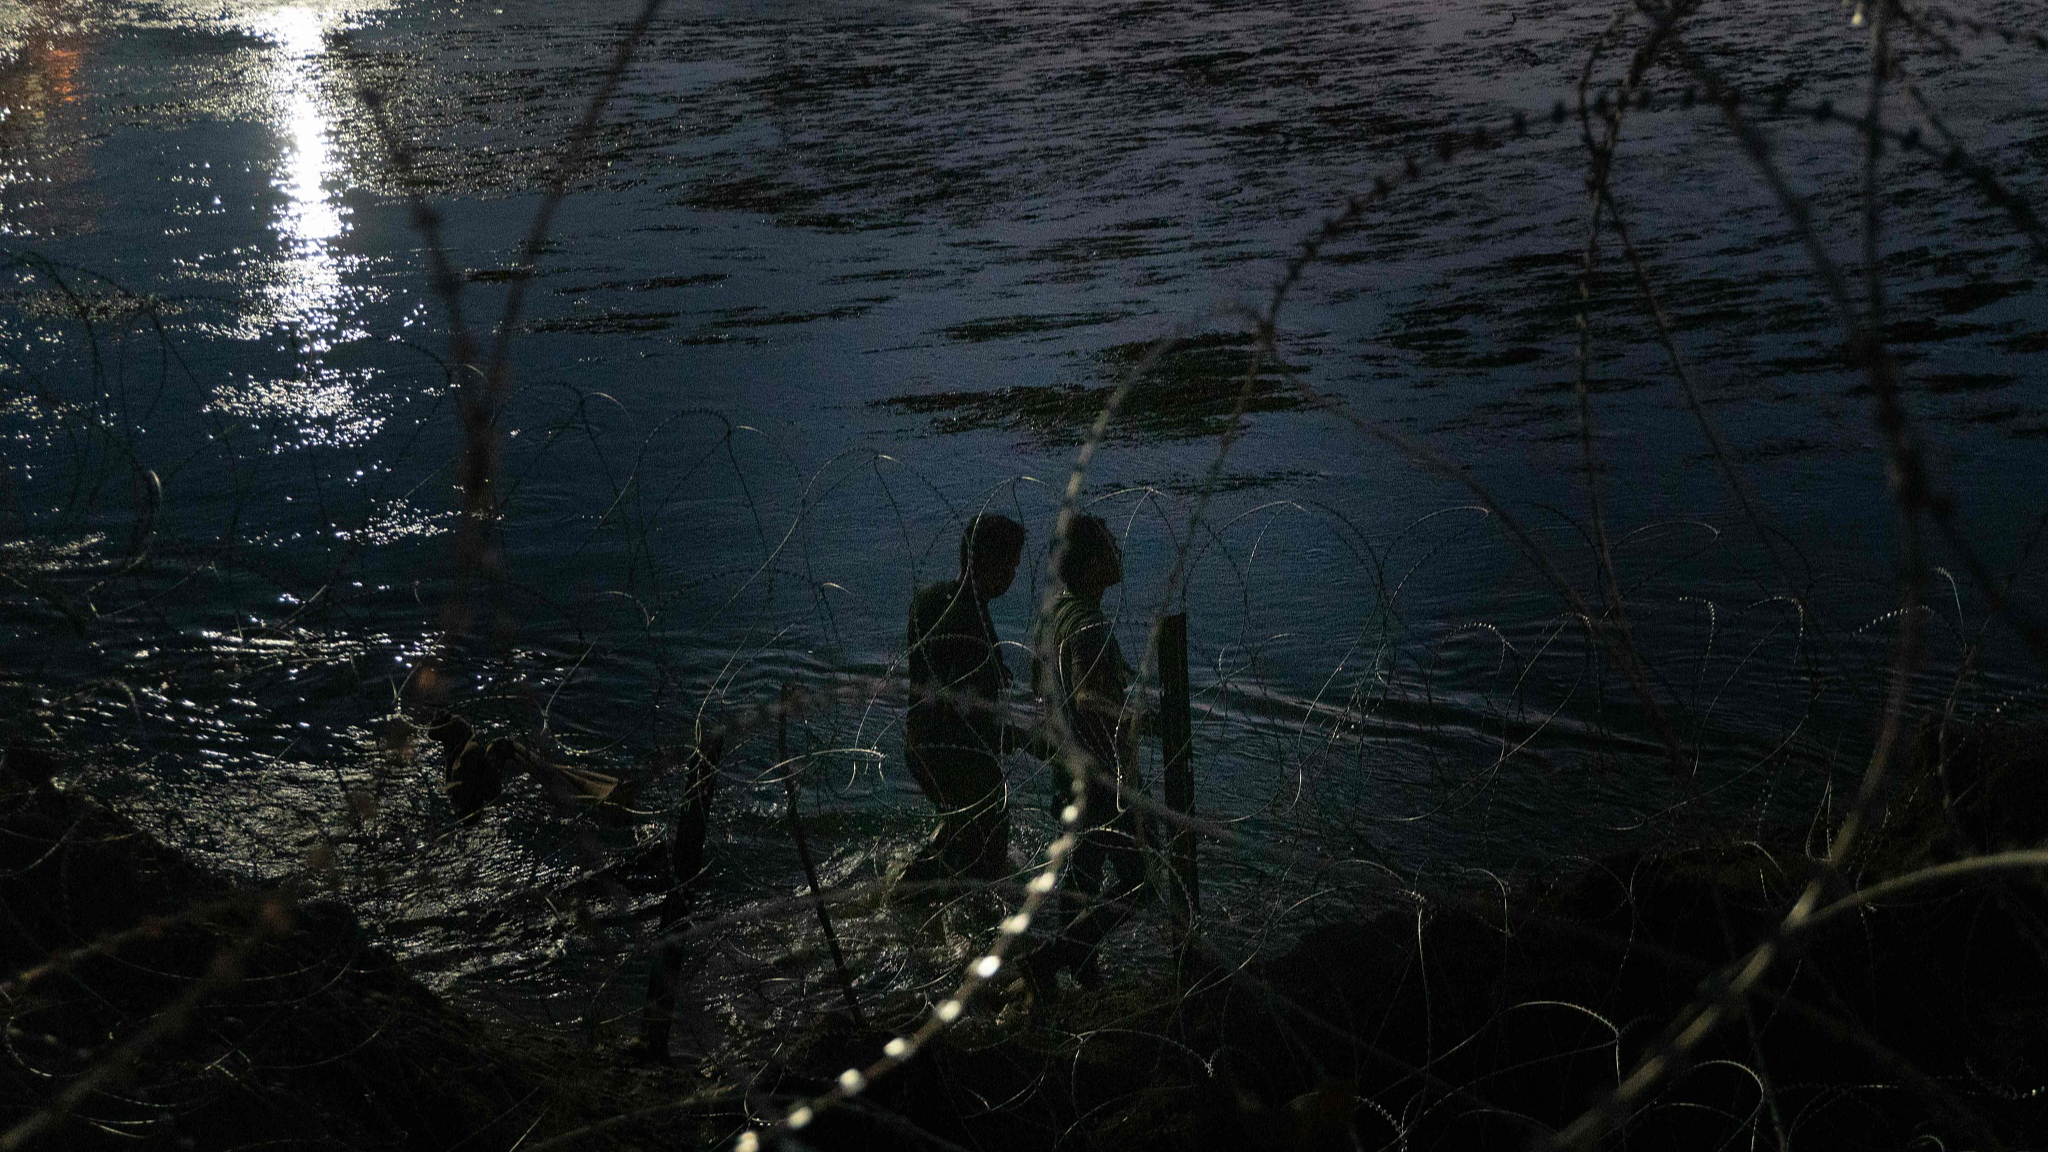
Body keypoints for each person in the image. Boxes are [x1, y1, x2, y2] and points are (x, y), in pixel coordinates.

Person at [1025, 512, 1153, 992]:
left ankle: (1082, 970)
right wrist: (1142, 720)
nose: (1117, 554)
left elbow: (1041, 692)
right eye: (1108, 547)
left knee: (1081, 879)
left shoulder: (1052, 616)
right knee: (1143, 881)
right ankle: (1051, 959)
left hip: (1068, 768)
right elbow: (1088, 697)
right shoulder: (1087, 623)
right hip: (1103, 774)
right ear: (1090, 563)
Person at [903, 513, 1028, 883]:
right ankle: (956, 911)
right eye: (1010, 567)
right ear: (988, 563)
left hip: (922, 741)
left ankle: (913, 889)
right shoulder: (967, 618)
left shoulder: (934, 599)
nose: (1012, 577)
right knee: (984, 846)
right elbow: (967, 711)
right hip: (958, 754)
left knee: (960, 832)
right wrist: (1023, 739)